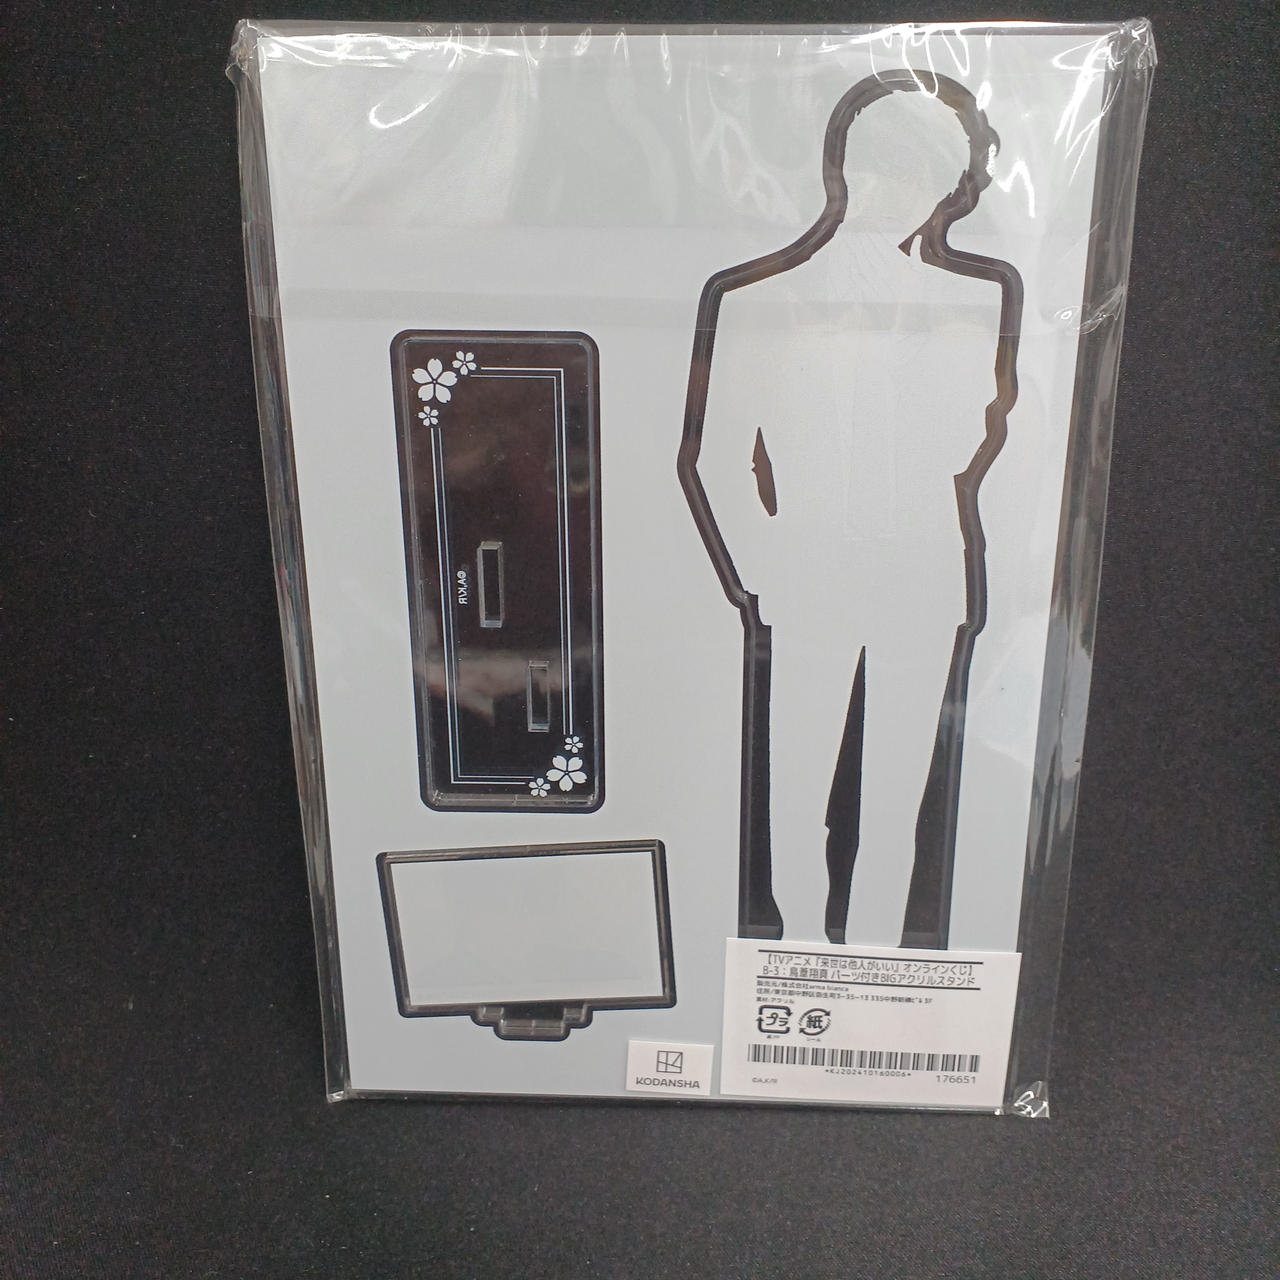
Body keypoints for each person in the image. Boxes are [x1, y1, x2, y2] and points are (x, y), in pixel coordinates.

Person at [680, 71, 1022, 945]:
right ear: (846, 172)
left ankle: (874, 963)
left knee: (897, 801)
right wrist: (764, 571)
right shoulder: (761, 303)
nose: (909, 198)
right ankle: (799, 951)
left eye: (932, 181)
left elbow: (978, 443)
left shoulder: (973, 306)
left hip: (921, 576)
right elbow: (716, 457)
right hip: (811, 572)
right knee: (797, 790)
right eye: (889, 172)